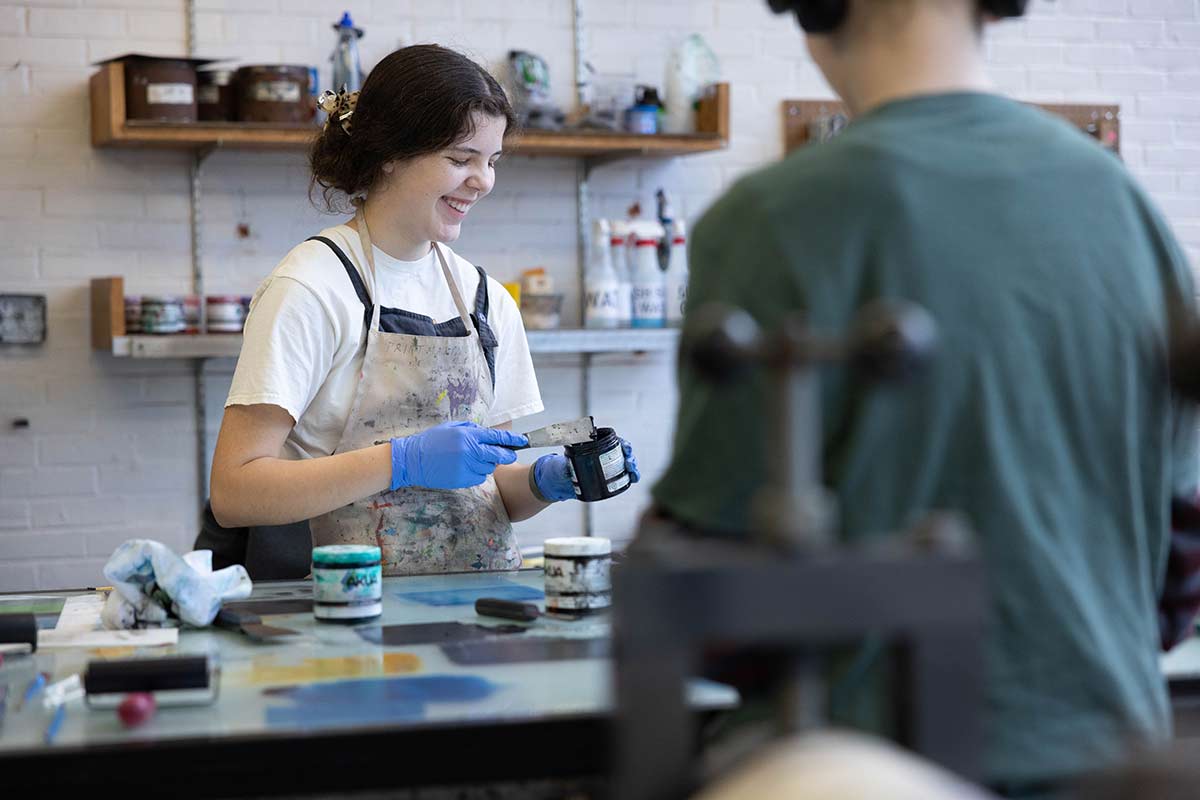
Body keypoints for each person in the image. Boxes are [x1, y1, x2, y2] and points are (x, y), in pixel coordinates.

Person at [650, 0, 1198, 795]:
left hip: (862, 767)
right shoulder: (1129, 208)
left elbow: (713, 595)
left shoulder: (771, 218)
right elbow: (1176, 578)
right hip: (1114, 761)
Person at [208, 44, 638, 576]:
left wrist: (542, 483)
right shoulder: (311, 287)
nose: (483, 181)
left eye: (492, 161)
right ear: (390, 153)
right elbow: (235, 490)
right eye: (460, 159)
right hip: (345, 620)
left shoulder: (485, 299)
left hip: (475, 615)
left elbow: (488, 490)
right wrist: (401, 462)